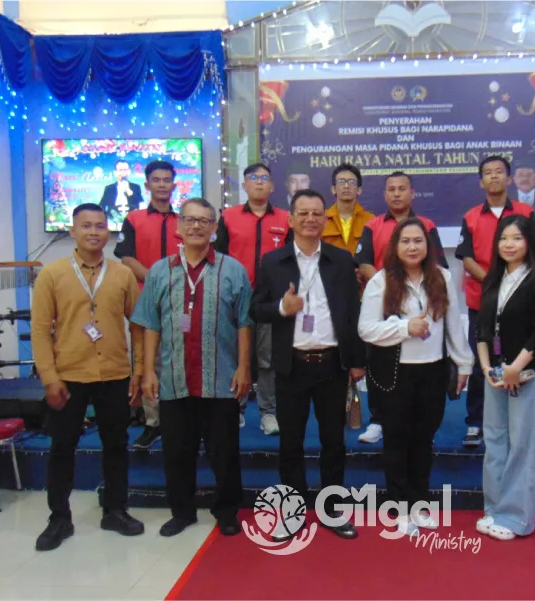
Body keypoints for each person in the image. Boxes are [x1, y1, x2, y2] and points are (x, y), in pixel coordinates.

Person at [131, 197, 252, 538]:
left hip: (221, 378)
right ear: (179, 226)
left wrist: (244, 367)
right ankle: (182, 512)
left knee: (224, 452)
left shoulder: (233, 270)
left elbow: (245, 323)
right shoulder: (160, 271)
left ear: (214, 228)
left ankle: (227, 511)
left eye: (204, 221)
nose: (196, 226)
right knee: (176, 452)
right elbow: (150, 324)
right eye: (190, 220)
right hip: (174, 379)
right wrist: (149, 371)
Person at [251, 189, 366, 540]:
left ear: (324, 219)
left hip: (332, 365)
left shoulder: (341, 260)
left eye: (317, 213)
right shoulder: (273, 261)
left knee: (334, 442)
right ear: (290, 219)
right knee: (291, 444)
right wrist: (281, 308)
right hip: (292, 367)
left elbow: (353, 312)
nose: (311, 219)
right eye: (303, 213)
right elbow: (256, 309)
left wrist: (357, 361)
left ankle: (332, 511)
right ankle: (292, 514)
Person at [31, 203, 144, 551]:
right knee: (62, 447)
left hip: (114, 373)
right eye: (86, 226)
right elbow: (40, 331)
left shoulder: (122, 274)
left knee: (116, 445)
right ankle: (59, 518)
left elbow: (138, 326)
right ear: (73, 231)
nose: (93, 232)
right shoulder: (52, 274)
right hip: (68, 376)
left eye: (100, 226)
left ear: (108, 232)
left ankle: (115, 510)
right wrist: (49, 378)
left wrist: (139, 371)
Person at [358, 218, 472, 535]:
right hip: (395, 373)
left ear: (428, 245)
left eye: (418, 241)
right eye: (405, 241)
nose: (412, 247)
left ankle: (420, 505)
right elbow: (366, 329)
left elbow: (453, 324)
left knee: (423, 440)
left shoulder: (442, 277)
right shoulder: (381, 280)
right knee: (397, 441)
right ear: (395, 246)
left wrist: (464, 363)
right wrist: (405, 327)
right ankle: (399, 507)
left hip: (433, 371)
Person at [354, 171, 448, 444]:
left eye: (402, 188)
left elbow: (438, 264)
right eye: (391, 189)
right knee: (379, 365)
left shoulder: (426, 225)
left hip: (420, 305)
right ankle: (377, 420)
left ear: (412, 193)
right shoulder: (373, 225)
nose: (396, 193)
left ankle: (421, 425)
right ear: (384, 194)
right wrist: (390, 287)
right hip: (382, 304)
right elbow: (363, 262)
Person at [475, 214, 535, 541]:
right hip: (494, 374)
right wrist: (486, 369)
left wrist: (515, 368)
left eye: (517, 238)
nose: (509, 244)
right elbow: (482, 331)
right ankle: (494, 509)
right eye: (504, 238)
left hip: (525, 374)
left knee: (522, 444)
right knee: (495, 441)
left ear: (529, 242)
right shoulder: (492, 280)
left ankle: (517, 518)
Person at [455, 156, 533, 447]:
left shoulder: (526, 213)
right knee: (482, 363)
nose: (494, 176)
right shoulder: (471, 216)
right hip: (482, 301)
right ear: (481, 182)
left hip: (520, 302)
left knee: (516, 360)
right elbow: (466, 257)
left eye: (499, 172)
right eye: (488, 173)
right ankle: (475, 422)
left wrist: (514, 283)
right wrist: (494, 281)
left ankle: (514, 422)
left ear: (509, 179)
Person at [214, 163, 290, 435]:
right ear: (245, 185)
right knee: (235, 356)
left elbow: (291, 260)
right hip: (235, 298)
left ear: (272, 186)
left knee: (267, 359)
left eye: (264, 178)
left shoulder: (285, 218)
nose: (259, 182)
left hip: (270, 300)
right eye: (253, 177)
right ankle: (236, 408)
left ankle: (268, 412)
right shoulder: (229, 217)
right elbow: (218, 256)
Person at [115, 159, 182, 449]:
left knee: (180, 358)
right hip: (146, 301)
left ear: (174, 185)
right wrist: (157, 281)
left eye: (167, 180)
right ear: (147, 185)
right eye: (157, 180)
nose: (162, 184)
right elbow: (126, 258)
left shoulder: (185, 220)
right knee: (147, 360)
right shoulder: (134, 219)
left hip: (182, 301)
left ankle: (181, 421)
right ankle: (153, 422)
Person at [322, 163, 375, 255]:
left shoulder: (370, 220)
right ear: (333, 189)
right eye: (341, 181)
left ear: (359, 190)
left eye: (351, 182)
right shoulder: (322, 219)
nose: (346, 186)